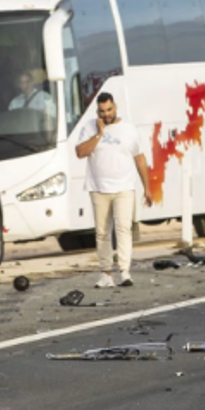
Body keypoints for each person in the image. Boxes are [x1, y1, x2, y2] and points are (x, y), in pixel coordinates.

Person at [75, 93, 152, 288]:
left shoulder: (128, 129)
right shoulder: (89, 127)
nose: (106, 114)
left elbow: (140, 159)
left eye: (109, 110)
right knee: (102, 232)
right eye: (102, 111)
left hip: (124, 187)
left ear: (115, 107)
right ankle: (106, 273)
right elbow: (80, 152)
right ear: (97, 111)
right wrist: (99, 134)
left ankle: (125, 272)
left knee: (123, 228)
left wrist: (147, 188)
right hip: (98, 187)